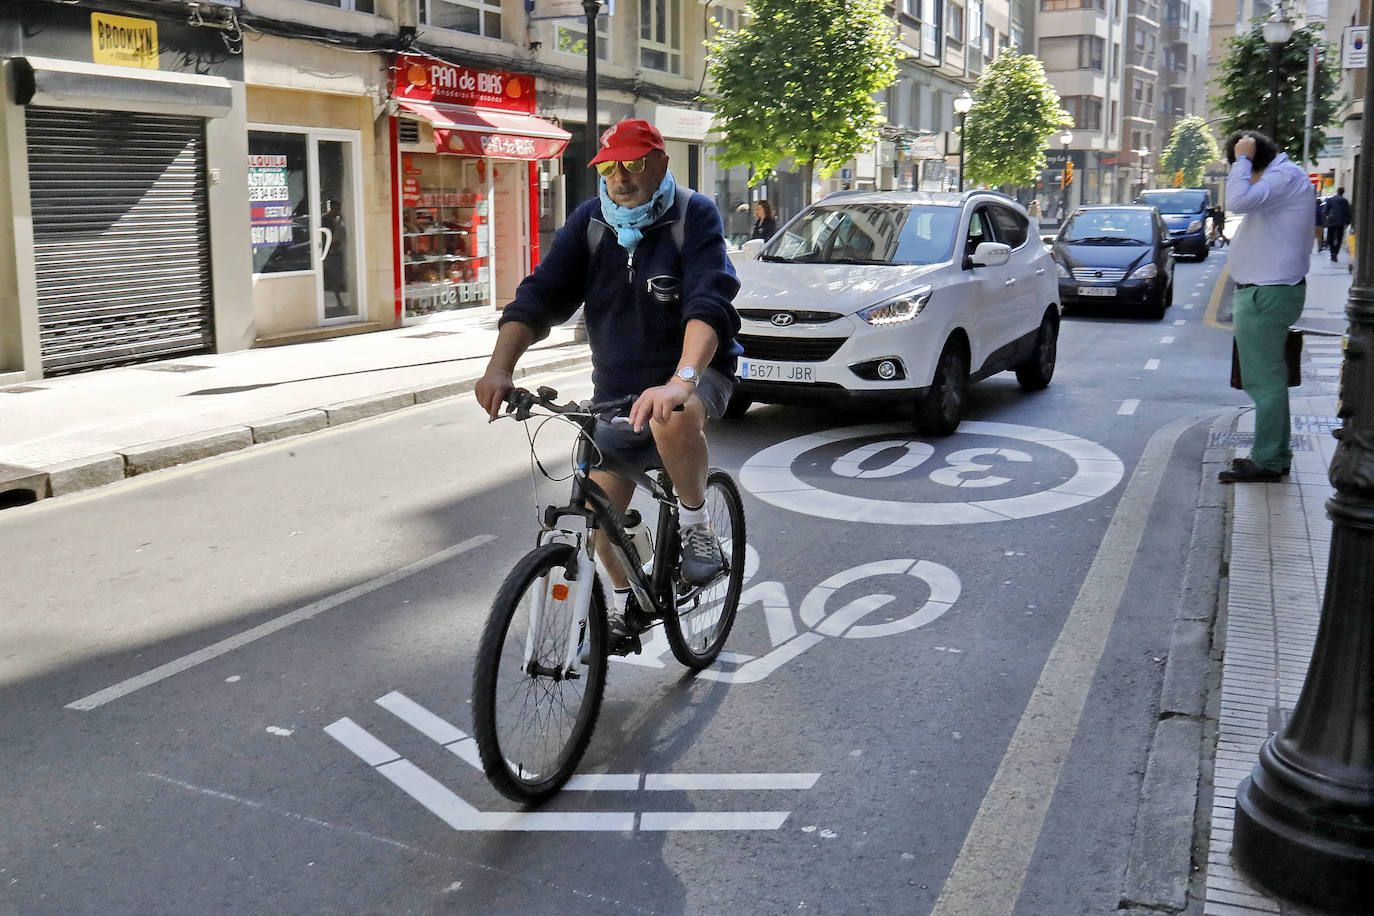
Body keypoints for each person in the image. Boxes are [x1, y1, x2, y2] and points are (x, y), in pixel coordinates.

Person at [474, 118, 742, 634]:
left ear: (661, 162)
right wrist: (499, 367)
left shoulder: (693, 215)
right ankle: (632, 600)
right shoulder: (591, 222)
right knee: (597, 520)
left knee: (675, 413)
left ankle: (695, 525)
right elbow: (541, 294)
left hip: (694, 372)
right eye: (611, 166)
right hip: (617, 390)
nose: (622, 176)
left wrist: (682, 379)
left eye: (635, 163)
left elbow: (708, 302)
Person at [1218, 131, 1312, 483]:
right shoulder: (1284, 178)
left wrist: (1241, 158)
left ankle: (1269, 459)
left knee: (1265, 381)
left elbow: (1238, 202)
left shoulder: (1283, 177)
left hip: (1266, 293)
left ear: (1255, 164)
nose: (1241, 175)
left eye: (1243, 167)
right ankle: (1274, 454)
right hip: (1268, 291)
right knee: (1268, 378)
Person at [1324, 186, 1353, 263]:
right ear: (1343, 192)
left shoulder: (1330, 199)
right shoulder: (1345, 201)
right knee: (1339, 238)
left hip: (1331, 221)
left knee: (1330, 237)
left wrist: (1326, 218)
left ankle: (1332, 252)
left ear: (1337, 191)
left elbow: (1325, 210)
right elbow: (1348, 212)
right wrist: (1348, 222)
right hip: (1341, 222)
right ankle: (1335, 252)